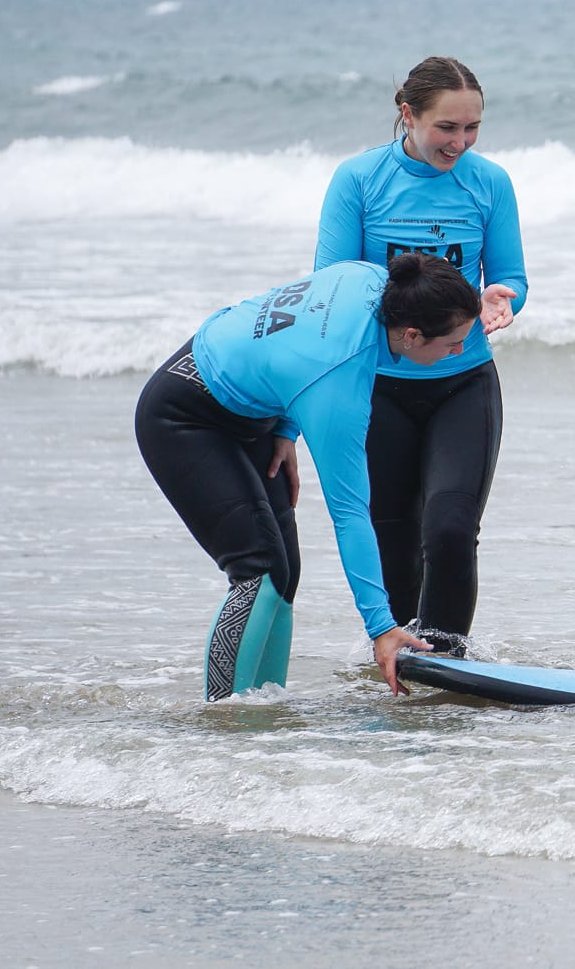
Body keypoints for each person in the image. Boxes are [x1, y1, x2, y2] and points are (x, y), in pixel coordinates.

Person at [135, 252, 482, 699]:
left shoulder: (373, 278)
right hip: (183, 414)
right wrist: (382, 626)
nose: (460, 352)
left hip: (255, 409)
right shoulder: (339, 383)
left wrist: (285, 425)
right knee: (257, 569)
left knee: (283, 573)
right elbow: (350, 512)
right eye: (452, 343)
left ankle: (265, 705)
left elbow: (294, 335)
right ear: (412, 335)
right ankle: (224, 720)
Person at [315, 56, 527, 656]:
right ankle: (402, 658)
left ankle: (445, 658)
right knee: (393, 533)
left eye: (472, 129)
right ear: (407, 114)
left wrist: (499, 299)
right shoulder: (358, 181)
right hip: (378, 384)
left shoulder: (489, 183)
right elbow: (332, 288)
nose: (459, 143)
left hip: (463, 380)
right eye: (446, 128)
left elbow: (510, 275)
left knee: (452, 528)